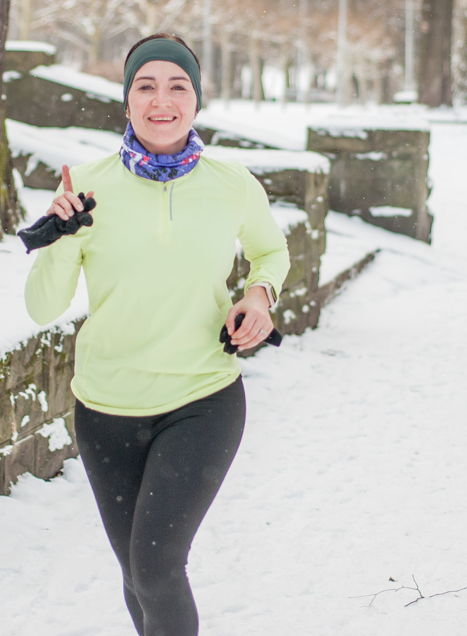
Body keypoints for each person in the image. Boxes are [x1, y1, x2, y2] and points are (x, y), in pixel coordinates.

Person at [24, 33, 290, 636]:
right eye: (146, 86)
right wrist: (62, 238)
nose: (161, 100)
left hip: (203, 401)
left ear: (196, 100)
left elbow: (270, 250)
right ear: (126, 101)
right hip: (105, 410)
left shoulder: (231, 183)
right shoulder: (85, 187)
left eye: (178, 86)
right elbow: (43, 307)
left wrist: (258, 292)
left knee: (156, 564)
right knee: (137, 574)